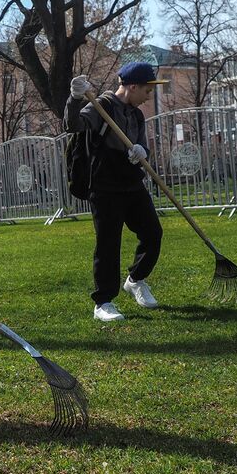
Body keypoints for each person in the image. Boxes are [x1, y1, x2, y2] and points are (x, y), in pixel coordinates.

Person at [65, 61, 166, 322]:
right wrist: (75, 98)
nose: (149, 96)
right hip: (104, 185)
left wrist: (142, 151)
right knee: (109, 244)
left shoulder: (137, 114)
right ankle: (103, 302)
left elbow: (143, 144)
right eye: (147, 90)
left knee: (152, 232)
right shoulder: (101, 106)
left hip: (132, 182)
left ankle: (136, 279)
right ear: (133, 86)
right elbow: (73, 125)